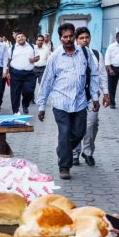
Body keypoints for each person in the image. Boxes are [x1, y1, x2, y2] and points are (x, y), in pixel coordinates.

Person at [37, 23, 100, 180]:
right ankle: (64, 167)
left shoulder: (85, 53)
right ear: (60, 39)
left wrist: (95, 97)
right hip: (60, 102)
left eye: (71, 36)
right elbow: (46, 82)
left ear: (74, 36)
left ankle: (62, 150)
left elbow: (93, 75)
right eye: (65, 37)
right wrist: (42, 105)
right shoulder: (54, 57)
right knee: (64, 133)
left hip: (80, 101)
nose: (69, 39)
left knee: (80, 132)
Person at [72, 27, 110, 167]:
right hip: (74, 98)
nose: (84, 40)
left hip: (92, 97)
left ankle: (87, 152)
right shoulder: (71, 54)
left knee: (92, 124)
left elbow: (102, 75)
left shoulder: (96, 54)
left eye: (87, 37)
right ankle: (74, 154)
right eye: (81, 38)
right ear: (76, 40)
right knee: (75, 126)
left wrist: (106, 93)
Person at [7, 31, 39, 115]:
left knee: (29, 91)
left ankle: (25, 105)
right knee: (15, 93)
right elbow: (8, 61)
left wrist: (34, 60)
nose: (20, 38)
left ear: (25, 37)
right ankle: (15, 111)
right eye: (18, 37)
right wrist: (7, 72)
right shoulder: (12, 48)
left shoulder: (32, 46)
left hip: (29, 74)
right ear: (16, 39)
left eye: (22, 36)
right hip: (15, 73)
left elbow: (38, 56)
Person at [105, 31, 119, 109]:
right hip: (112, 68)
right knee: (112, 87)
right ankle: (112, 103)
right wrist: (110, 69)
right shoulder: (111, 46)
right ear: (116, 38)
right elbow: (107, 58)